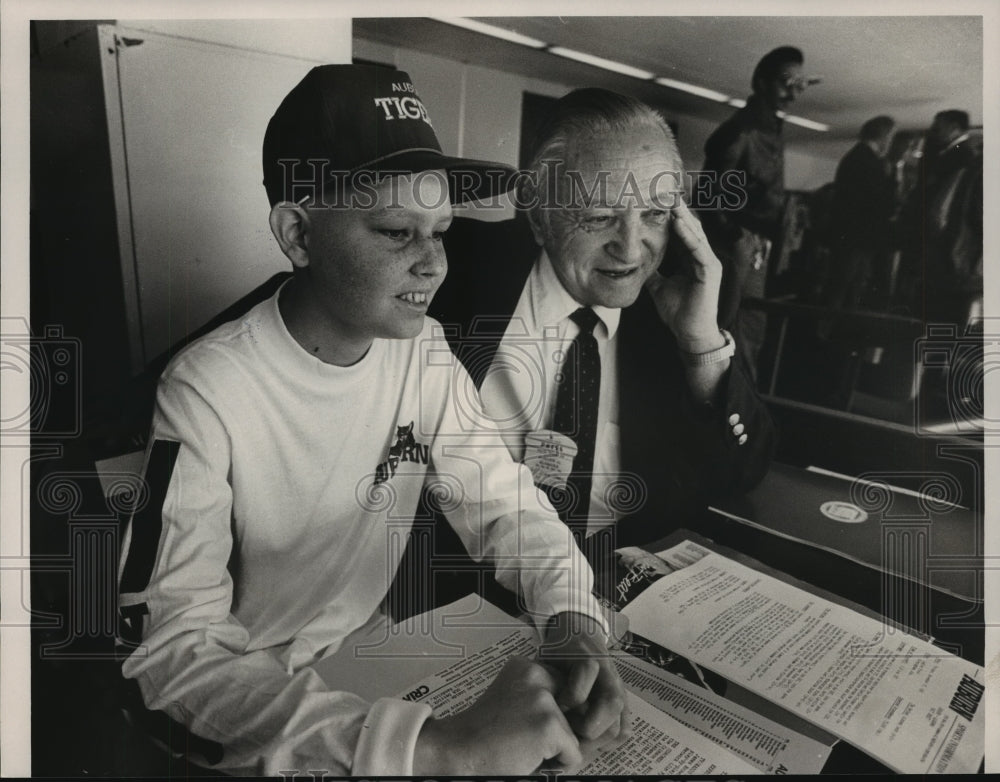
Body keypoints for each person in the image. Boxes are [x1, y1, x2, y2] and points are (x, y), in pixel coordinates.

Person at [116, 65, 627, 777]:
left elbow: (505, 501)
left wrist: (572, 617)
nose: (433, 266)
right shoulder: (207, 388)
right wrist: (427, 750)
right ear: (298, 233)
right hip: (248, 709)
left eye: (441, 232)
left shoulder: (422, 352)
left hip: (370, 660)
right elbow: (170, 658)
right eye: (396, 232)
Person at [416, 88, 774, 584]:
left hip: (618, 585)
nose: (630, 249)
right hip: (462, 592)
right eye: (600, 216)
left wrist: (700, 347)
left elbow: (743, 472)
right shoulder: (446, 268)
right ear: (539, 216)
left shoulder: (684, 296)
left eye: (653, 214)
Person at [700, 46, 812, 381]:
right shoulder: (741, 132)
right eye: (784, 82)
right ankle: (727, 406)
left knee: (750, 329)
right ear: (761, 83)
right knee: (730, 331)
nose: (793, 92)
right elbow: (707, 196)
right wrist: (739, 240)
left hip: (757, 244)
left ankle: (741, 404)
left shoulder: (770, 128)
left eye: (799, 84)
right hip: (738, 245)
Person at [896, 110, 982, 324]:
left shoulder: (964, 156)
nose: (934, 131)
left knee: (939, 311)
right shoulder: (956, 154)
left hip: (947, 246)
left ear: (954, 127)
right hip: (946, 247)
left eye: (939, 126)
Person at [826, 115, 897, 312]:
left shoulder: (853, 157)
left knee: (840, 286)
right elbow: (881, 203)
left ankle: (826, 332)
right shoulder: (871, 163)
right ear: (884, 136)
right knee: (846, 288)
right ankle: (831, 332)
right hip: (858, 238)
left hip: (847, 235)